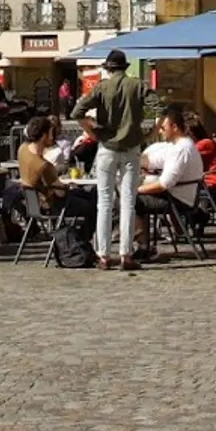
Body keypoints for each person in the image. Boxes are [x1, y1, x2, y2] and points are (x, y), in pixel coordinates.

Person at [71, 49, 147, 271]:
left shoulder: (101, 88)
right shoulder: (137, 85)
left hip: (107, 147)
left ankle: (103, 255)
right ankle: (126, 254)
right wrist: (148, 134)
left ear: (108, 68)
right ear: (125, 67)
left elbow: (77, 111)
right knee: (128, 202)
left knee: (103, 202)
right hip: (131, 147)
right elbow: (160, 106)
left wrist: (92, 130)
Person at [135, 109, 204, 259]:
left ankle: (143, 246)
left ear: (174, 127)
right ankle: (143, 245)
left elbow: (164, 184)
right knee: (135, 197)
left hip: (178, 200)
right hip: (180, 194)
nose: (160, 132)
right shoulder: (179, 146)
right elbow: (155, 161)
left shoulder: (181, 149)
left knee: (131, 201)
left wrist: (138, 189)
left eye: (163, 128)